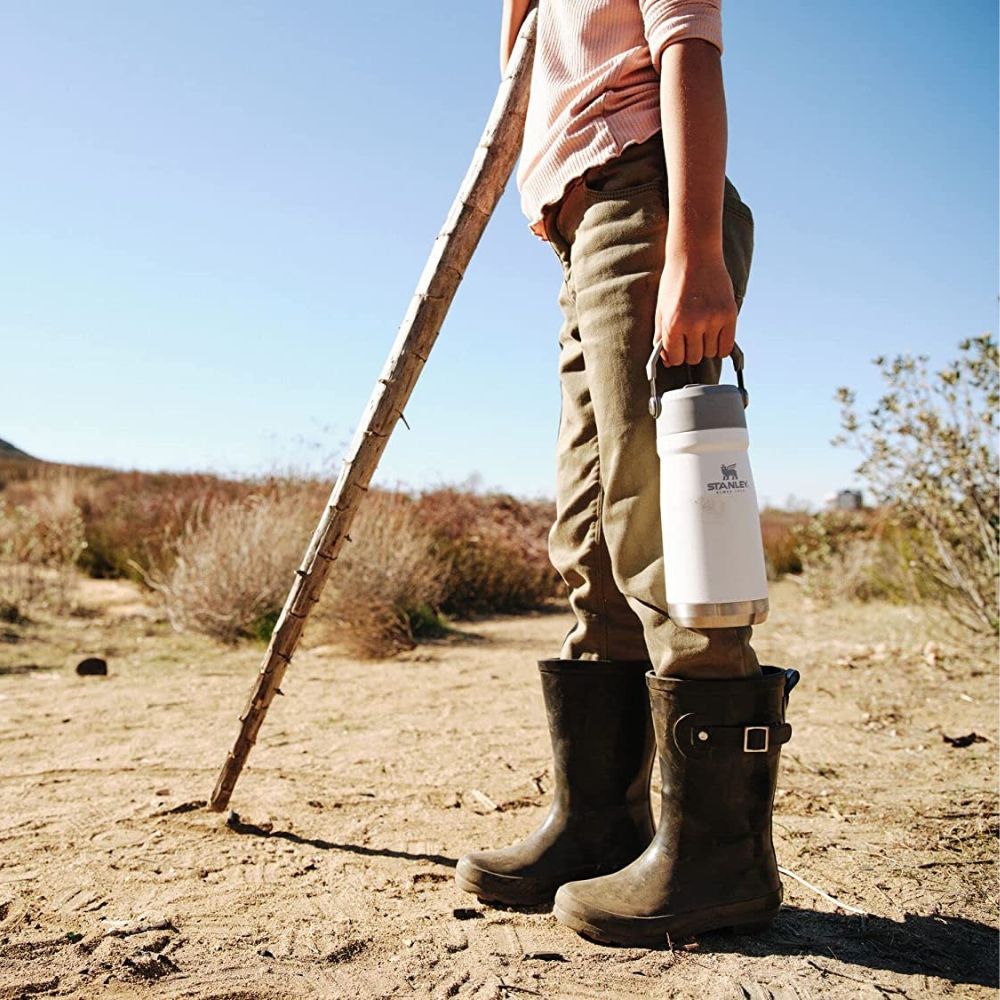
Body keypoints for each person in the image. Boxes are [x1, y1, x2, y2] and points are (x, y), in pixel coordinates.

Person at [455, 0, 798, 946]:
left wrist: (693, 249)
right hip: (581, 233)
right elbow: (527, 83)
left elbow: (689, 50)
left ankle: (722, 860)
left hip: (646, 198)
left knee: (664, 531)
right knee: (592, 536)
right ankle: (601, 824)